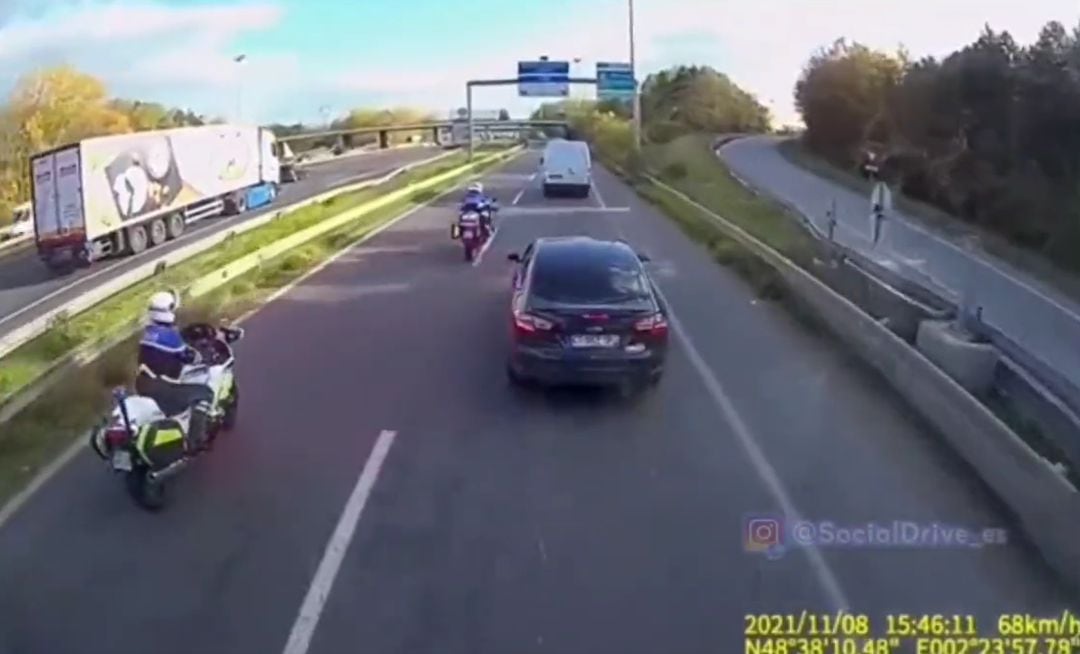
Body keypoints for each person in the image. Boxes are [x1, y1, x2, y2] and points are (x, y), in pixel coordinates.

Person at [135, 291, 214, 452]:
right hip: (163, 385)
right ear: (168, 311)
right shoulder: (170, 336)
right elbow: (189, 356)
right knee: (205, 394)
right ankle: (195, 441)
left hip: (142, 383)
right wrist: (203, 355)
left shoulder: (148, 332)